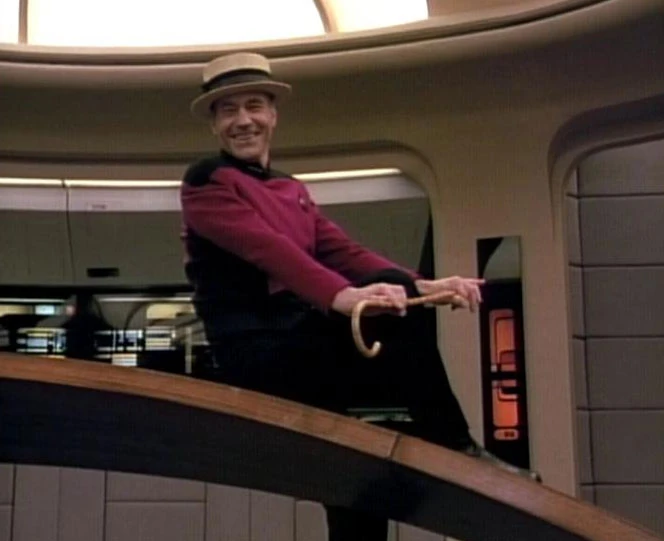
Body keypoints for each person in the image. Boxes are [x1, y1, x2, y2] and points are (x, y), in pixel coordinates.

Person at [180, 52, 538, 541]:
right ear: (215, 124)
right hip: (259, 355)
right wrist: (343, 297)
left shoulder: (290, 188)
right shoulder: (206, 181)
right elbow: (270, 250)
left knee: (354, 473)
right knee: (387, 312)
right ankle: (454, 444)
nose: (243, 120)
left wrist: (426, 286)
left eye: (254, 106)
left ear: (273, 115)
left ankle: (436, 448)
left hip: (302, 346)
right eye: (228, 110)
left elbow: (341, 250)